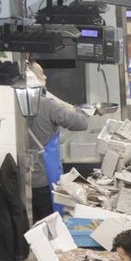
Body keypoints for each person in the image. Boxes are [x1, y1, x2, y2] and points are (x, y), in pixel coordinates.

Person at [24, 63, 89, 222]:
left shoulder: (13, 104)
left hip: (23, 179)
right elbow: (81, 123)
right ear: (34, 80)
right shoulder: (47, 105)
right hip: (44, 179)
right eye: (41, 74)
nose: (45, 77)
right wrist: (78, 110)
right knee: (49, 225)